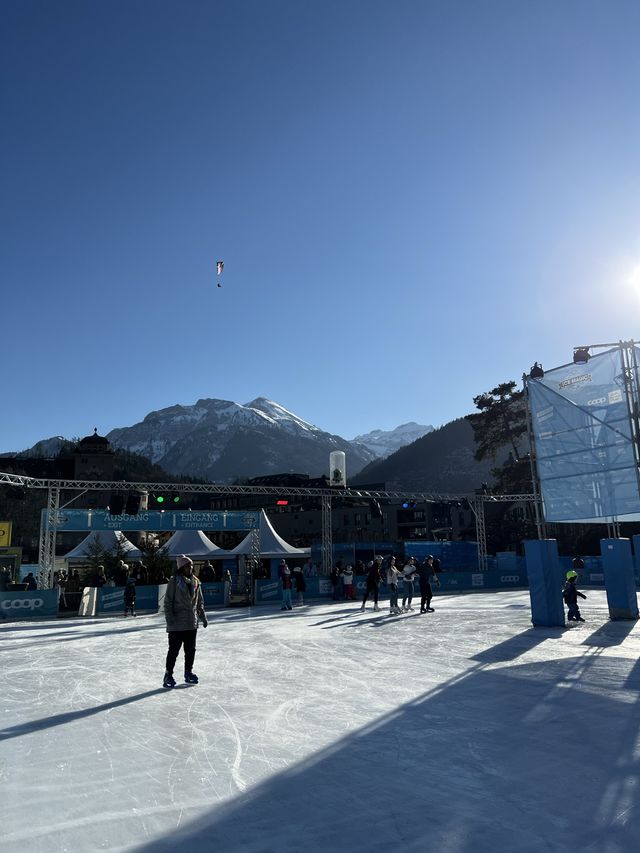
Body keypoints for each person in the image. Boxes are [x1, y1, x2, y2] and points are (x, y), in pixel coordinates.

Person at [163, 555, 208, 688]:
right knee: (174, 651)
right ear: (181, 568)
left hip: (191, 622)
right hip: (176, 623)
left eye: (191, 565)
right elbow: (168, 602)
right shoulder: (174, 582)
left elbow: (200, 602)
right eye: (188, 566)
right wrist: (170, 620)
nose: (190, 568)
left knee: (190, 650)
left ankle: (188, 672)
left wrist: (203, 617)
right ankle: (168, 674)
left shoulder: (196, 582)